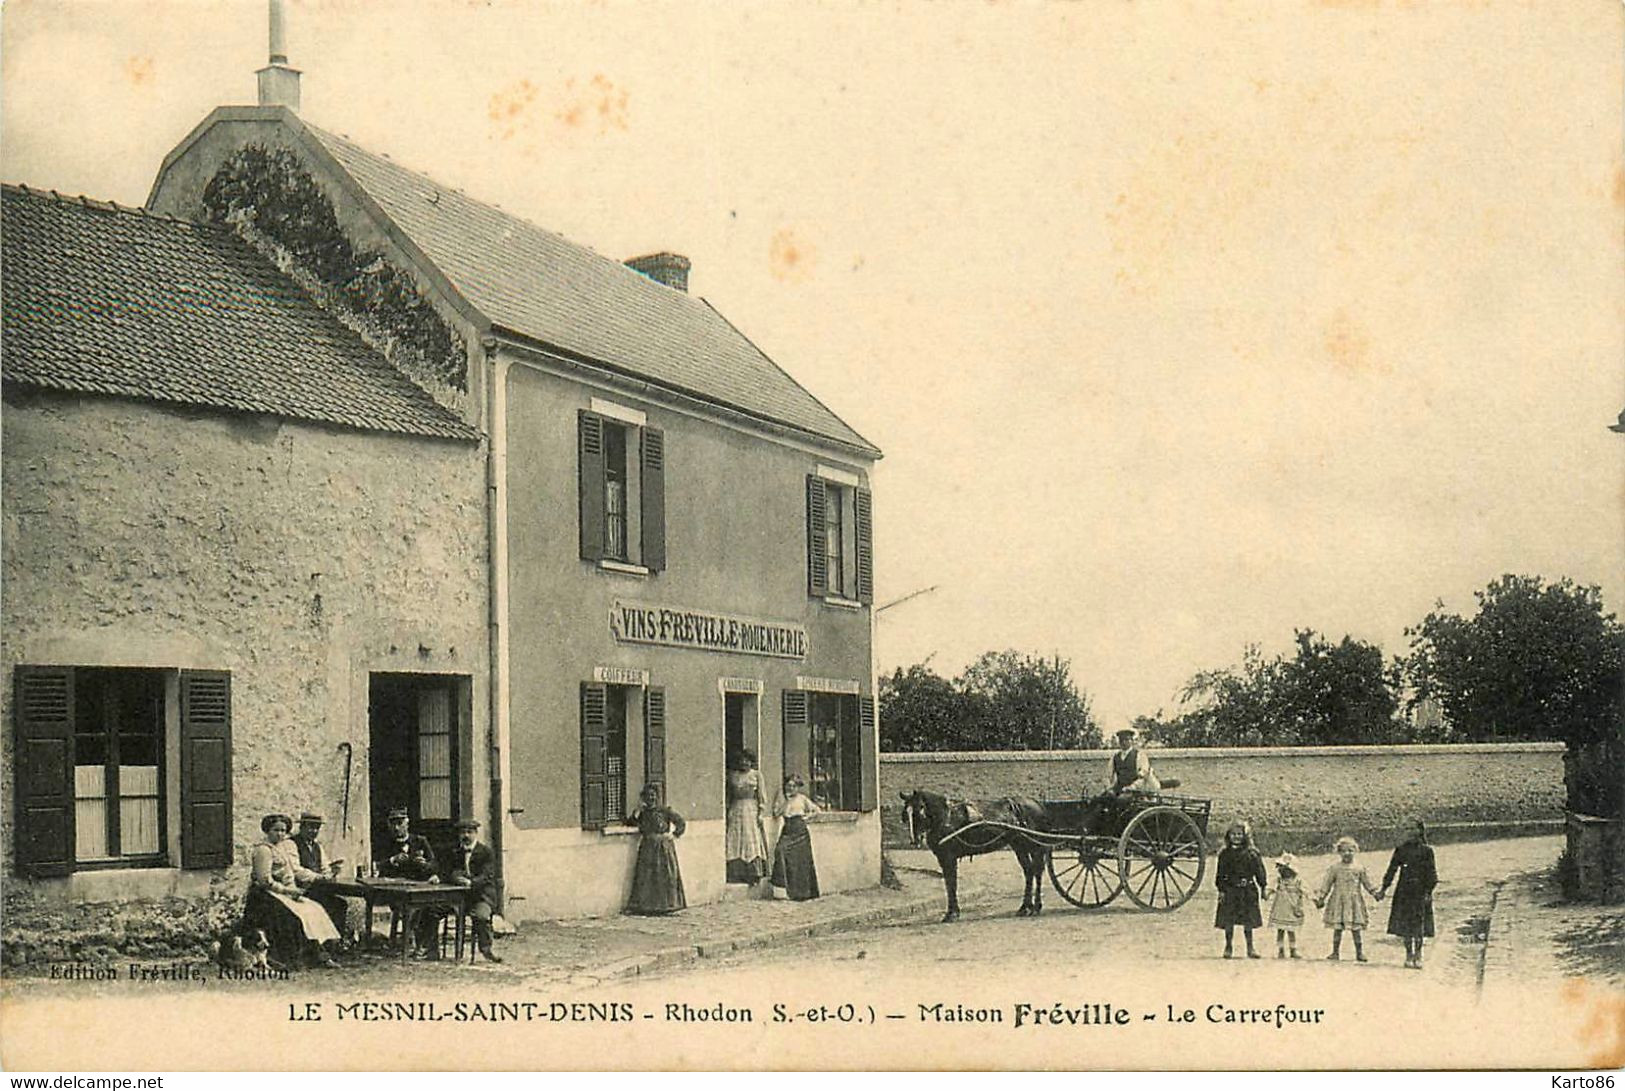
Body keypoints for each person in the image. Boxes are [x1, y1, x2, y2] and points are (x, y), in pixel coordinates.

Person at [242, 813, 341, 970]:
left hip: (283, 892)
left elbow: (288, 875)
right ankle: (293, 958)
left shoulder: (280, 849)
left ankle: (320, 953)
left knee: (314, 908)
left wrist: (295, 892)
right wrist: (288, 891)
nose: (280, 834)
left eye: (283, 831)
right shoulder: (263, 850)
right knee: (296, 916)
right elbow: (265, 881)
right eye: (276, 830)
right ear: (267, 831)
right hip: (264, 896)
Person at [375, 807, 445, 957]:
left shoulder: (420, 841)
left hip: (419, 887)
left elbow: (435, 864)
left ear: (407, 824)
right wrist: (392, 860)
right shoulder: (385, 843)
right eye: (393, 824)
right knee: (410, 908)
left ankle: (424, 946)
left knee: (431, 908)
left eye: (400, 823)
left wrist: (426, 865)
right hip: (395, 892)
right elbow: (377, 866)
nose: (396, 827)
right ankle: (414, 944)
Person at [290, 811, 356, 944]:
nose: (314, 831)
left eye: (317, 828)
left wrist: (332, 872)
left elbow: (325, 868)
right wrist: (319, 877)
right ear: (302, 827)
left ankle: (334, 942)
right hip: (299, 889)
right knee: (326, 904)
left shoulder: (317, 846)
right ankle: (319, 945)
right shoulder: (292, 844)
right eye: (310, 827)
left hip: (316, 889)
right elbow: (296, 870)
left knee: (339, 904)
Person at [1315, 835, 1384, 962]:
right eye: (1344, 851)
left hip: (1354, 901)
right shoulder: (1334, 868)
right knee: (1338, 928)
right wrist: (1321, 897)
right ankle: (1335, 952)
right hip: (1338, 901)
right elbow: (1327, 884)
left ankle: (1359, 953)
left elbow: (1367, 883)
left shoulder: (1359, 868)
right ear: (1339, 852)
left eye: (1350, 850)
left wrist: (1375, 893)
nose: (1347, 853)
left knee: (1356, 928)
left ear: (1355, 851)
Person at [1380, 819, 1438, 970]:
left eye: (1413, 829)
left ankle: (1418, 955)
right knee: (1406, 925)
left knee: (1419, 924)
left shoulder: (1427, 851)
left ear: (1420, 830)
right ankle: (1408, 954)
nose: (1410, 832)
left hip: (1420, 891)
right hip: (1404, 891)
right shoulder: (1401, 850)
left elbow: (1432, 874)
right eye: (1407, 829)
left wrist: (1428, 892)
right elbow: (1391, 871)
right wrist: (1383, 889)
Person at [625, 784, 687, 915]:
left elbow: (680, 822)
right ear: (644, 798)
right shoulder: (643, 813)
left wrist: (673, 835)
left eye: (653, 795)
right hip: (647, 846)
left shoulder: (664, 811)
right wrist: (636, 812)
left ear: (657, 797)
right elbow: (631, 823)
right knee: (647, 876)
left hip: (662, 847)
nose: (651, 798)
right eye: (648, 796)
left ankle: (665, 906)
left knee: (664, 875)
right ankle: (648, 906)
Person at [447, 818, 502, 962]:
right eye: (462, 832)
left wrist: (470, 882)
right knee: (432, 910)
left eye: (469, 832)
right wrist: (456, 877)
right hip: (459, 897)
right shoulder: (455, 851)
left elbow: (486, 876)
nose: (465, 835)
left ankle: (486, 949)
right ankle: (430, 950)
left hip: (480, 896)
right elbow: (449, 870)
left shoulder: (486, 852)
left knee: (481, 916)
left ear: (475, 833)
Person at [1213, 820, 1267, 959]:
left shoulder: (1252, 853)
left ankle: (1250, 947)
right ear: (1228, 836)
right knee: (1228, 921)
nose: (1236, 837)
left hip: (1247, 890)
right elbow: (1220, 874)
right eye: (1233, 834)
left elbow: (1260, 871)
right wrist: (1221, 890)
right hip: (1231, 890)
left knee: (1248, 921)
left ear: (1245, 836)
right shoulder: (1224, 854)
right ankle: (1228, 946)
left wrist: (1263, 887)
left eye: (1239, 834)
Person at [771, 774, 821, 901]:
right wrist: (782, 801)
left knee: (800, 862)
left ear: (798, 787)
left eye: (793, 786)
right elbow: (777, 813)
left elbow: (816, 810)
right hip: (787, 829)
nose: (791, 788)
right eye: (788, 786)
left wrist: (806, 818)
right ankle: (783, 890)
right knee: (780, 851)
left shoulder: (802, 799)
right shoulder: (784, 800)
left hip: (800, 831)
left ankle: (802, 892)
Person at [725, 750, 769, 886]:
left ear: (751, 761)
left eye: (747, 760)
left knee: (750, 838)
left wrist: (761, 812)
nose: (744, 763)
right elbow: (728, 795)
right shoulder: (733, 775)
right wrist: (727, 810)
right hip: (736, 808)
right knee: (736, 838)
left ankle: (753, 874)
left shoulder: (756, 775)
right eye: (742, 761)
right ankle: (736, 873)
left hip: (751, 809)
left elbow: (762, 796)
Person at [1268, 852, 1307, 959]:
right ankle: (1280, 950)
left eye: (1284, 868)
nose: (1281, 871)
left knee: (1291, 930)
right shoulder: (1278, 880)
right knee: (1280, 930)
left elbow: (1306, 890)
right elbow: (1271, 888)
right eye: (1280, 868)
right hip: (1280, 908)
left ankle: (1293, 949)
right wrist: (1267, 893)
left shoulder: (1298, 881)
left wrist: (1315, 899)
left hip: (1292, 908)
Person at [1107, 727, 1161, 794]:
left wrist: (1132, 787)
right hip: (1119, 788)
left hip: (1135, 790)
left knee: (1121, 801)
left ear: (1132, 741)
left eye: (1126, 740)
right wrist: (1109, 788)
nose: (1123, 742)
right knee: (1101, 800)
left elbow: (1143, 776)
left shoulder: (1139, 755)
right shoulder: (1115, 757)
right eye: (1121, 740)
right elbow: (1109, 776)